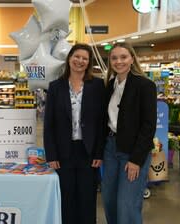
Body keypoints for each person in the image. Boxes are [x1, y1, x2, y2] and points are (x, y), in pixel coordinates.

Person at [44, 43, 105, 224]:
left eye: (84, 58)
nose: (80, 61)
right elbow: (49, 124)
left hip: (88, 152)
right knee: (66, 197)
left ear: (88, 62)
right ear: (69, 58)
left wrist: (99, 152)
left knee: (87, 198)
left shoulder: (97, 85)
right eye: (76, 57)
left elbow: (102, 123)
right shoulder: (56, 87)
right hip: (64, 152)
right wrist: (51, 154)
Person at [101, 42, 157, 224]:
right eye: (114, 58)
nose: (119, 61)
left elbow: (148, 126)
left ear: (132, 59)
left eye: (123, 57)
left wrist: (136, 159)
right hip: (110, 149)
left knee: (127, 204)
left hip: (133, 151)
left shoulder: (145, 85)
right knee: (109, 200)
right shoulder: (110, 85)